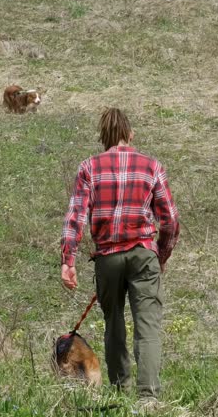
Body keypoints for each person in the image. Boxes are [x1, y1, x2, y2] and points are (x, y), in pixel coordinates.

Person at [60, 107, 180, 400]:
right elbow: (171, 220)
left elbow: (75, 216)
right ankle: (148, 397)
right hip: (142, 253)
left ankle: (118, 392)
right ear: (130, 134)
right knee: (147, 326)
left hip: (108, 258)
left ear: (104, 138)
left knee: (114, 324)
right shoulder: (151, 166)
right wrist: (160, 256)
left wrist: (68, 260)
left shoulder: (89, 167)